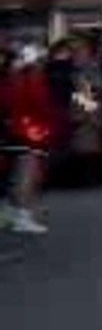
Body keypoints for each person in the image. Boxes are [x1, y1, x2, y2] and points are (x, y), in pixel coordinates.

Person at [0, 45, 55, 234]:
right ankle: (22, 217)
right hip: (29, 130)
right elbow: (39, 103)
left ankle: (9, 214)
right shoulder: (31, 78)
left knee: (14, 175)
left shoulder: (10, 77)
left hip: (11, 130)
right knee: (27, 173)